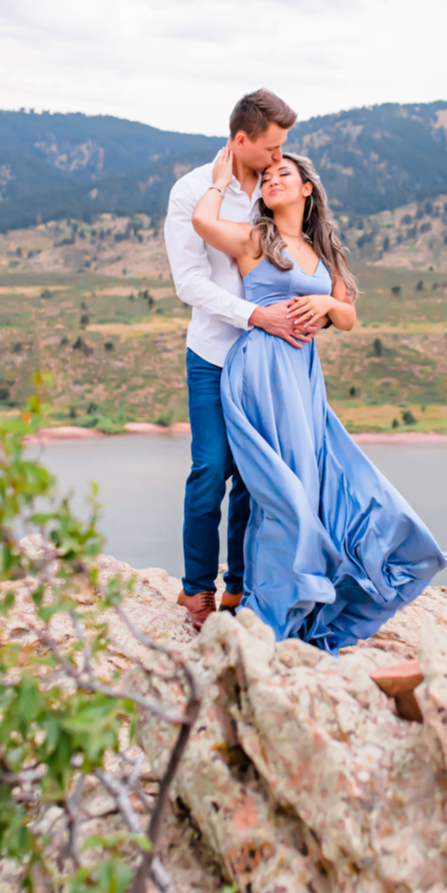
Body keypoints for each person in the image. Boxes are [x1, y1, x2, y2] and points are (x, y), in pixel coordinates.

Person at [191, 147, 447, 651]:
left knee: (325, 485)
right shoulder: (254, 238)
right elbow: (203, 222)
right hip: (261, 370)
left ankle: (307, 603)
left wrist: (328, 302)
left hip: (303, 378)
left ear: (307, 188)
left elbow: (349, 318)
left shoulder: (323, 250)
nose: (271, 181)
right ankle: (267, 615)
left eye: (282, 174)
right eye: (265, 177)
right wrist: (222, 181)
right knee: (285, 494)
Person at [165, 89, 314, 631]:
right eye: (272, 149)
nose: (280, 160)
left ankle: (242, 590)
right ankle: (196, 591)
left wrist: (312, 308)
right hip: (213, 354)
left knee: (255, 477)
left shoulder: (276, 194)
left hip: (270, 362)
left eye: (284, 151)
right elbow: (190, 284)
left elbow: (303, 258)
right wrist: (256, 315)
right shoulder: (190, 194)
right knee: (210, 470)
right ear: (241, 140)